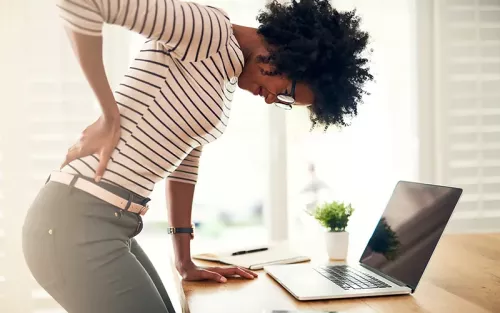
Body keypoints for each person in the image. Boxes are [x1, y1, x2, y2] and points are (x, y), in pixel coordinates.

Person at [21, 0, 373, 312]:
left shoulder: (225, 79)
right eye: (288, 94)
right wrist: (108, 114)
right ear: (290, 55)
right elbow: (83, 3)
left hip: (114, 224)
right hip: (75, 220)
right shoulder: (209, 31)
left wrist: (184, 258)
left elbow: (184, 167)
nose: (272, 101)